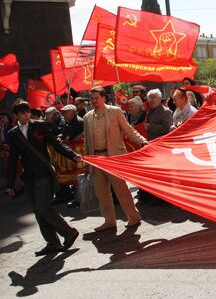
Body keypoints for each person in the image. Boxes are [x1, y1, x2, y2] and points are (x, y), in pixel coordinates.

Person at [5, 101, 81, 255]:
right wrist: (10, 183)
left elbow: (56, 144)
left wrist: (73, 155)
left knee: (43, 207)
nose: (26, 115)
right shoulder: (13, 133)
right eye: (22, 113)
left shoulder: (40, 126)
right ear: (16, 116)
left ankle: (69, 232)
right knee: (37, 211)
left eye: (28, 112)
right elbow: (12, 159)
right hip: (29, 176)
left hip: (44, 172)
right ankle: (52, 243)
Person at [83, 86, 147, 231]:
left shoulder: (115, 111)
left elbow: (129, 130)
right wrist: (86, 163)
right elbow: (87, 142)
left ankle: (133, 216)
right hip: (96, 159)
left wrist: (142, 141)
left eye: (96, 98)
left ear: (103, 97)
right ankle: (109, 220)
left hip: (113, 157)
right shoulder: (87, 117)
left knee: (121, 190)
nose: (93, 101)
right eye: (91, 99)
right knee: (101, 193)